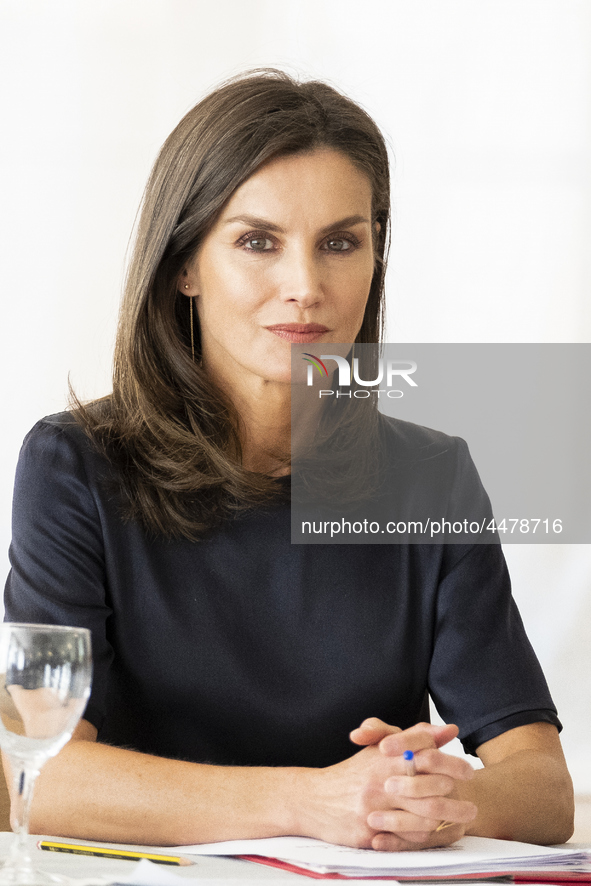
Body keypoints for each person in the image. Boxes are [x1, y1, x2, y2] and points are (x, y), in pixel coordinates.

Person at [3, 69, 573, 850]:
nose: (305, 286)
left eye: (340, 242)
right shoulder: (74, 465)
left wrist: (435, 795)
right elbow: (39, 776)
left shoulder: (432, 476)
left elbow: (542, 790)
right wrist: (314, 802)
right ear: (185, 266)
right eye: (256, 241)